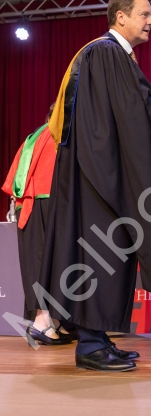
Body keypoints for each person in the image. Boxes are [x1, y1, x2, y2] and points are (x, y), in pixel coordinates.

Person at [39, 0, 151, 372]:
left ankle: (99, 338)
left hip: (99, 174)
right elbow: (139, 106)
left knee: (112, 254)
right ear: (121, 17)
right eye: (145, 14)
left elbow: (131, 107)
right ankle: (90, 345)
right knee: (100, 255)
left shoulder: (107, 55)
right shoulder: (106, 53)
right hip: (100, 178)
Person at [2, 104, 72, 345]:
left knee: (41, 262)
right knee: (50, 263)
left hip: (29, 205)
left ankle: (53, 321)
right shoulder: (59, 135)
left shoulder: (33, 138)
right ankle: (42, 323)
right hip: (49, 201)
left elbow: (14, 182)